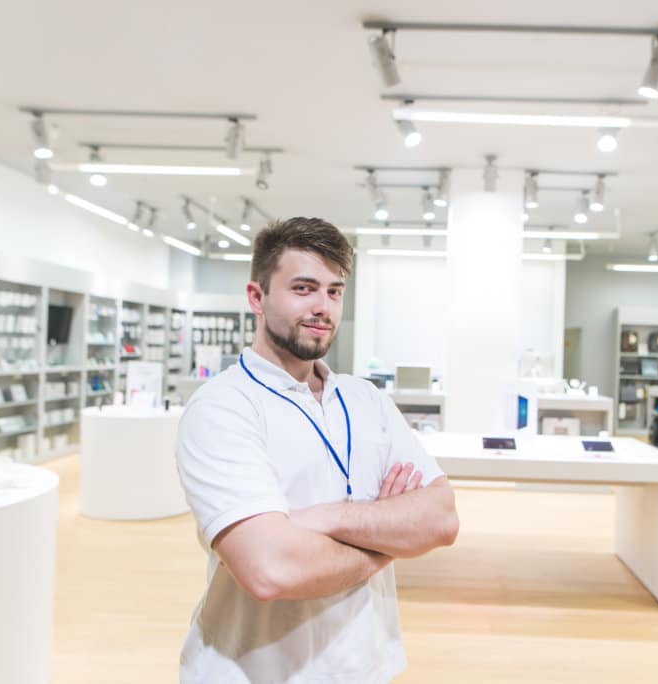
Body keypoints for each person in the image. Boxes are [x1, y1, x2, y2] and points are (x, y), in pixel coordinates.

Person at [175, 217, 459, 683]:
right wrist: (388, 541)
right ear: (257, 297)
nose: (322, 306)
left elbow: (442, 518)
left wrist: (323, 518)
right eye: (303, 288)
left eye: (333, 291)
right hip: (254, 673)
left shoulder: (367, 399)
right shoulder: (223, 407)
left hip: (367, 666)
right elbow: (270, 570)